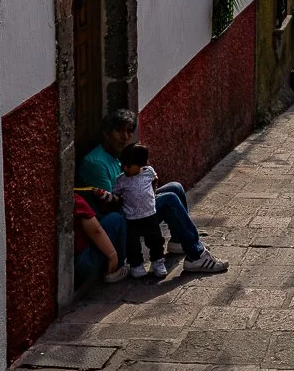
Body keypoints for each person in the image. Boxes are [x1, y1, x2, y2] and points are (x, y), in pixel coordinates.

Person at [76, 108, 227, 274]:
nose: (125, 137)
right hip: (126, 218)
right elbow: (109, 206)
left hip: (132, 203)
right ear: (106, 133)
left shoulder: (120, 155)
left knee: (175, 187)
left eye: (129, 131)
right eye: (119, 131)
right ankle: (196, 254)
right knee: (169, 199)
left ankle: (178, 241)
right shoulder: (96, 163)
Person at [117, 143, 169, 280]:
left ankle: (158, 261)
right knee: (133, 244)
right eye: (123, 165)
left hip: (149, 214)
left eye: (129, 165)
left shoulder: (148, 172)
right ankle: (136, 265)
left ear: (140, 164)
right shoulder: (121, 180)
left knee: (155, 240)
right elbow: (116, 194)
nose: (125, 168)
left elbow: (154, 181)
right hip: (131, 218)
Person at [74, 188, 128, 289]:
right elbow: (96, 231)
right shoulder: (75, 200)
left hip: (73, 263)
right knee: (117, 218)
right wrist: (113, 256)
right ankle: (117, 268)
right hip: (83, 263)